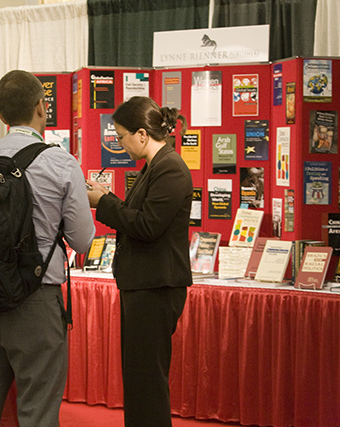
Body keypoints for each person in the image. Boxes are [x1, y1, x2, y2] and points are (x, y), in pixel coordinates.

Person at [0, 70, 95, 427]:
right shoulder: (60, 162)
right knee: (38, 409)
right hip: (36, 298)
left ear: (0, 115)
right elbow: (82, 241)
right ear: (41, 106)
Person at [86, 96, 193, 427]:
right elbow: (139, 216)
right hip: (144, 284)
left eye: (121, 136)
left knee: (146, 380)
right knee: (138, 377)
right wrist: (108, 198)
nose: (119, 144)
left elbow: (147, 226)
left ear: (142, 135)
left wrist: (103, 203)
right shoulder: (155, 166)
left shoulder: (170, 168)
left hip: (156, 287)